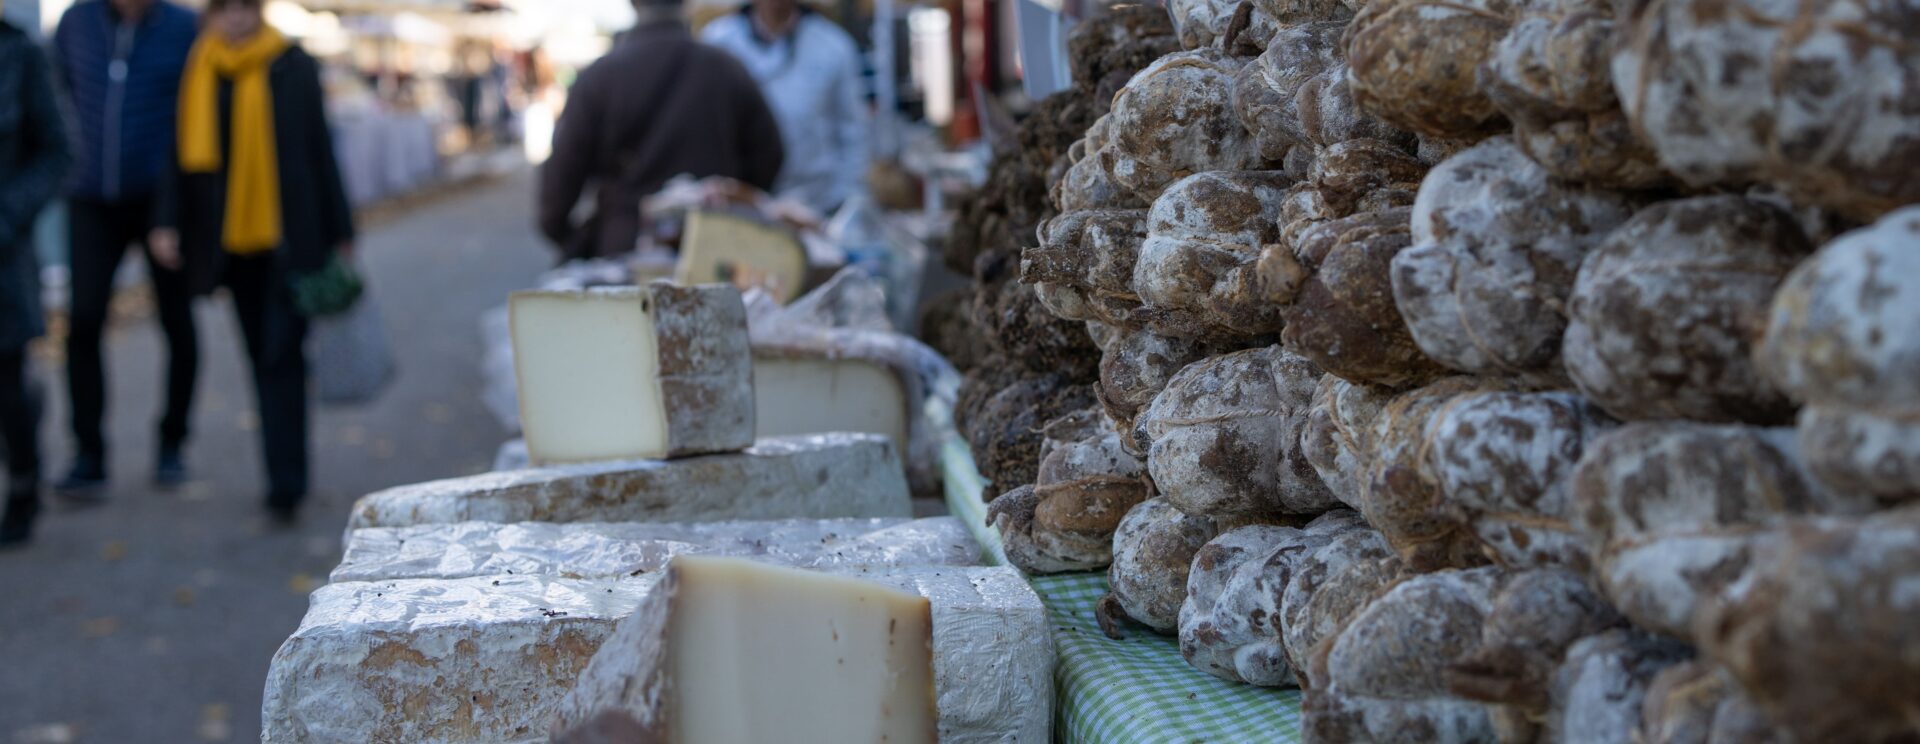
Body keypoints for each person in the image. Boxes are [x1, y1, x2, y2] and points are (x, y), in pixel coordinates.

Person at [151, 0, 354, 523]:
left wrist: (341, 231)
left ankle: (287, 483)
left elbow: (320, 148)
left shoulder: (292, 64)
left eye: (245, 8)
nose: (236, 19)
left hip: (290, 239)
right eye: (226, 10)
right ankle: (279, 473)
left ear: (259, 13)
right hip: (229, 247)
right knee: (257, 356)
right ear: (214, 16)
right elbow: (179, 156)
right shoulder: (202, 67)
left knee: (280, 356)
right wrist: (167, 221)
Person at [49, 0, 200, 496]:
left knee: (177, 321)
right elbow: (54, 93)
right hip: (90, 196)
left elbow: (194, 114)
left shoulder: (182, 27)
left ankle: (173, 442)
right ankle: (88, 454)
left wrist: (176, 208)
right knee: (84, 319)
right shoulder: (76, 22)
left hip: (162, 199)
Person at [538, 0, 785, 260]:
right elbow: (770, 156)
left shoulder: (601, 77)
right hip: (713, 251)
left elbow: (558, 187)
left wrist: (580, 239)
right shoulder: (726, 69)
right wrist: (730, 202)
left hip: (625, 251)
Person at [0, 6, 74, 547]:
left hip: (2, 250)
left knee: (6, 385)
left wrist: (8, 212)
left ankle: (23, 482)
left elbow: (57, 151)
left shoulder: (21, 55)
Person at [702, 0, 870, 215]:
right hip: (738, 205)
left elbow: (853, 131)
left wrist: (844, 199)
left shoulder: (833, 46)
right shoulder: (718, 42)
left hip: (816, 205)